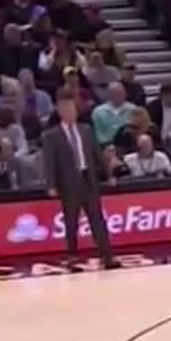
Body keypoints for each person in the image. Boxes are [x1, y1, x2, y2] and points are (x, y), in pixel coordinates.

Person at [40, 95, 120, 268]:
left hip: (88, 179)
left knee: (97, 219)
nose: (72, 113)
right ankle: (72, 256)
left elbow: (97, 154)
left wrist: (109, 175)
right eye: (68, 110)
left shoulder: (86, 130)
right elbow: (49, 162)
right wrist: (51, 185)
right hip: (68, 183)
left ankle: (107, 256)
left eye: (73, 109)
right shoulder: (51, 136)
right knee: (71, 221)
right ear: (60, 112)